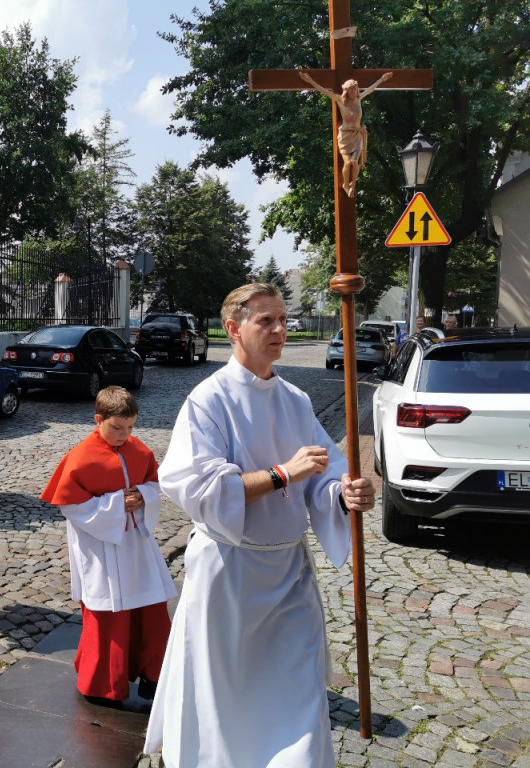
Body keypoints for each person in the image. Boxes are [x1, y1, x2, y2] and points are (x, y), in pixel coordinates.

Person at [143, 283, 375, 767]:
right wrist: (280, 474)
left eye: (283, 320)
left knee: (300, 691)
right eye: (265, 321)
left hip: (288, 572)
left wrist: (344, 493)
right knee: (224, 700)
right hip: (230, 573)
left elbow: (323, 473)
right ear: (233, 329)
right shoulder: (208, 400)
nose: (279, 330)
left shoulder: (296, 399)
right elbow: (194, 484)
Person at [40, 386, 176, 708]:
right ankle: (102, 685)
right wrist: (116, 505)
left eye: (130, 427)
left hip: (136, 545)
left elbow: (155, 484)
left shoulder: (139, 450)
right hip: (100, 549)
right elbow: (72, 507)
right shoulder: (80, 458)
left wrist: (144, 496)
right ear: (98, 419)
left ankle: (153, 675)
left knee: (153, 610)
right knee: (107, 618)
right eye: (116, 427)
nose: (124, 435)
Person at [299, 71, 393, 198]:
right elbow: (323, 91)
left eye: (356, 89)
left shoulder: (359, 98)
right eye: (352, 90)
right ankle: (345, 185)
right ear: (347, 91)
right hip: (345, 136)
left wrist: (382, 79)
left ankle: (352, 186)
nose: (355, 92)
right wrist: (310, 80)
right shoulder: (340, 100)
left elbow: (371, 89)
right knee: (348, 163)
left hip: (357, 135)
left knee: (355, 162)